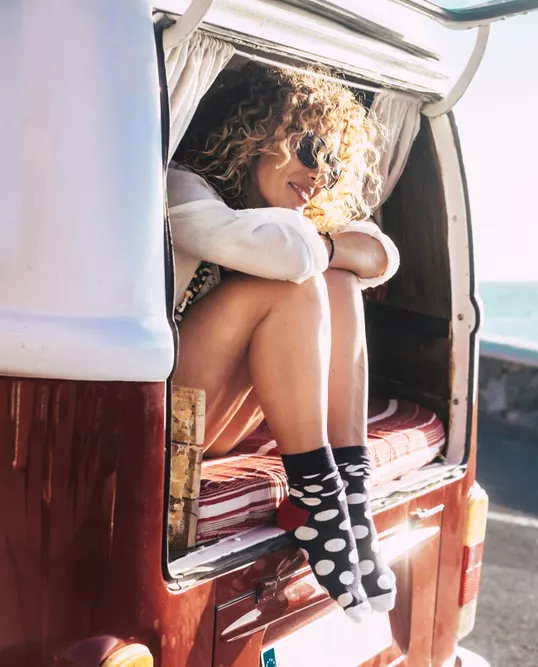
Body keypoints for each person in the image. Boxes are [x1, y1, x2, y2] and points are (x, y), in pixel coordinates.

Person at [168, 63, 399, 619]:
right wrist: (323, 243)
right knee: (296, 286)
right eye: (311, 149)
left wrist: (325, 244)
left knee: (336, 281)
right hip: (167, 419)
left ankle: (350, 494)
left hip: (220, 419)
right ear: (254, 133)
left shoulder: (293, 218)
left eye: (335, 163)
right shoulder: (181, 186)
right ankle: (320, 501)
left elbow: (380, 254)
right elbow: (289, 257)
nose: (321, 175)